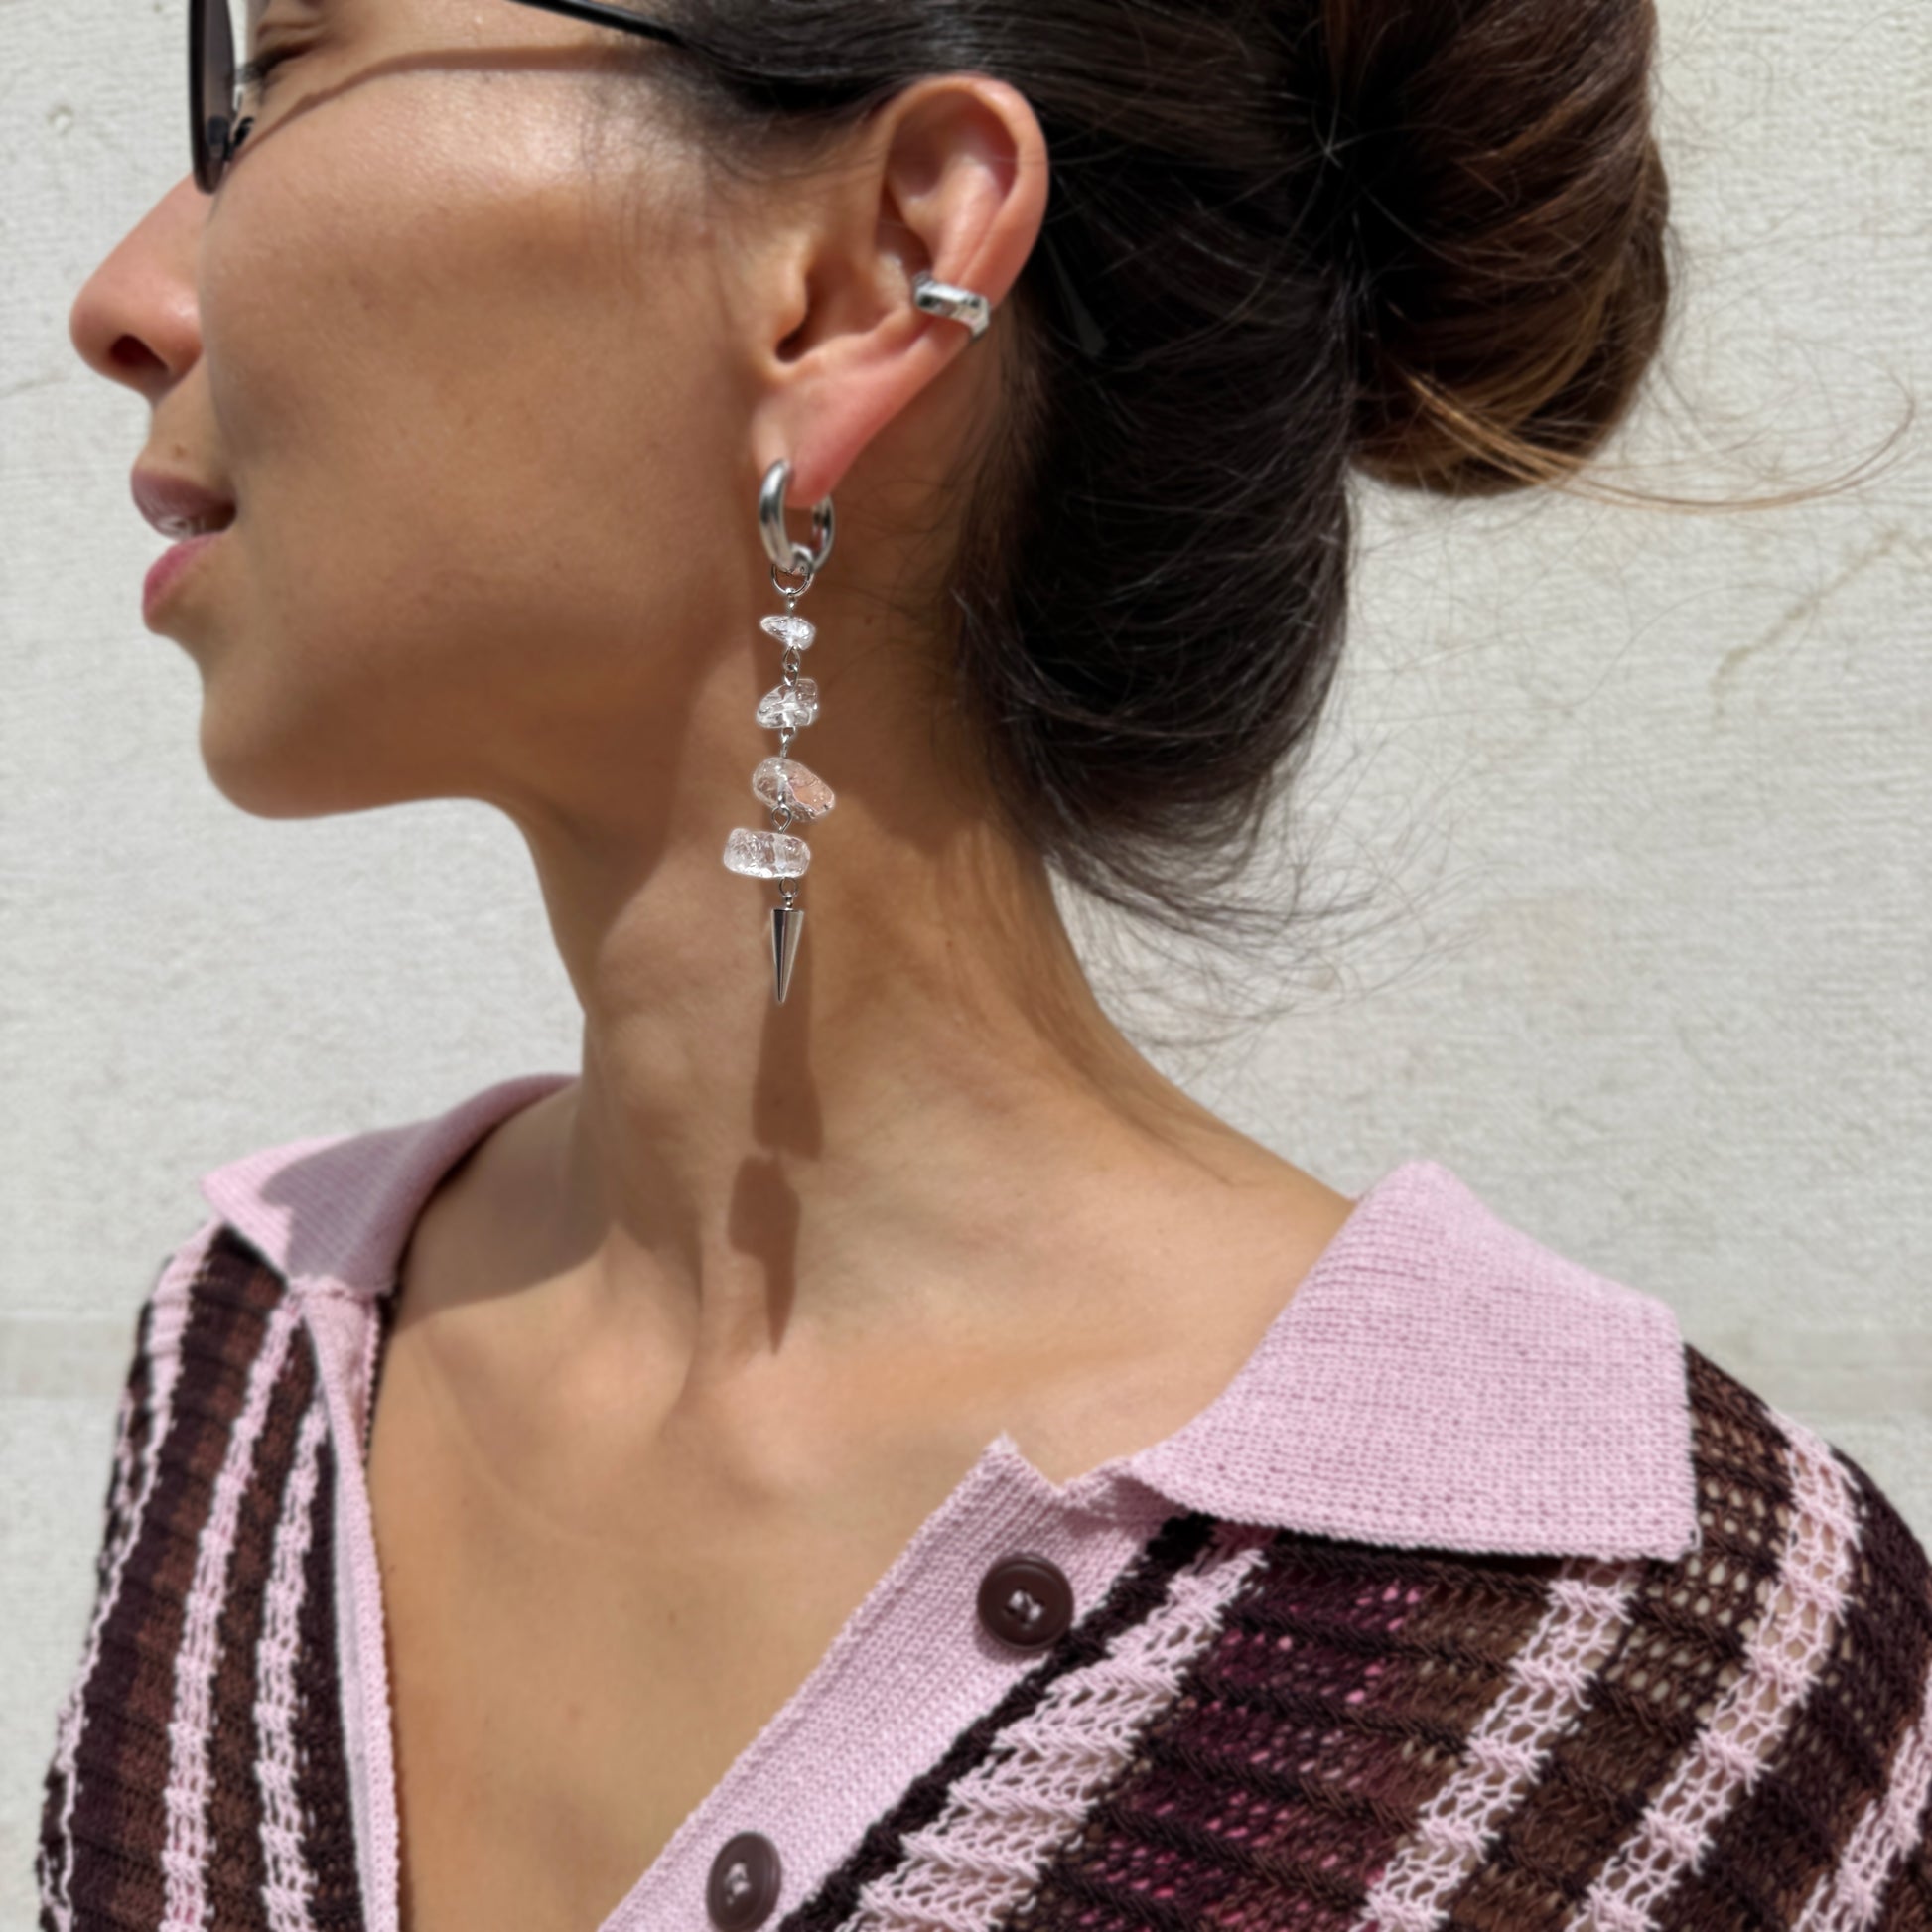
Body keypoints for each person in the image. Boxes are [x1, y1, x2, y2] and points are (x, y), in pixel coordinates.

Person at [43, 2, 1930, 1930]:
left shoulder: (1663, 1677)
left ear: (868, 275)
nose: (122, 302)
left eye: (274, 74)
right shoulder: (254, 1356)